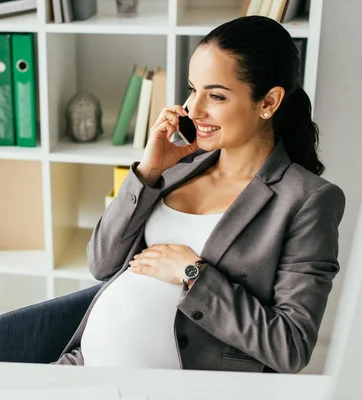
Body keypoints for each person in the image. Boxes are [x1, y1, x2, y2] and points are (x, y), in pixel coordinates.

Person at [52, 15, 346, 373]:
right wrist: (148, 172)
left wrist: (193, 272)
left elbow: (290, 347)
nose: (194, 109)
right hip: (83, 366)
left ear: (268, 101)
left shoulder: (307, 200)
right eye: (193, 89)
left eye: (217, 95)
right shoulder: (178, 168)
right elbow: (101, 263)